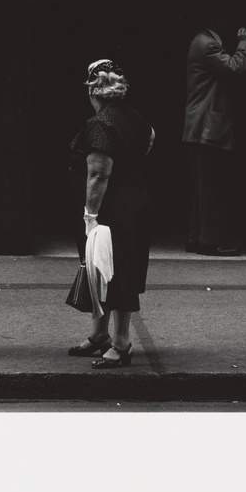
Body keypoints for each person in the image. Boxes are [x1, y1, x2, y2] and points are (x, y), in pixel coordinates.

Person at [66, 60, 154, 369]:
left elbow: (98, 174)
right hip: (135, 204)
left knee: (113, 272)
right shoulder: (136, 117)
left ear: (93, 91)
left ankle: (121, 344)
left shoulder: (100, 124)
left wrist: (90, 216)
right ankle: (100, 335)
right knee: (105, 269)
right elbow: (149, 141)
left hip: (109, 210)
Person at [183, 17, 246, 256]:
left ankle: (196, 237)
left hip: (200, 126)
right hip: (206, 127)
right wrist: (245, 43)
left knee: (202, 187)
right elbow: (234, 67)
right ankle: (209, 242)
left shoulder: (201, 41)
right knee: (210, 187)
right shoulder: (208, 45)